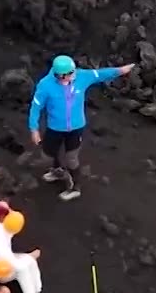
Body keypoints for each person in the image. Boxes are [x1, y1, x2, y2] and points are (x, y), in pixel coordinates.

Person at [27, 55, 136, 201]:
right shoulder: (45, 86)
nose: (74, 75)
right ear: (60, 75)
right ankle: (58, 171)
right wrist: (34, 129)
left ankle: (75, 188)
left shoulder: (81, 76)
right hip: (55, 128)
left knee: (71, 158)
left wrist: (120, 71)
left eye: (74, 71)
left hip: (76, 128)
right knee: (48, 154)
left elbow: (100, 74)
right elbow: (36, 106)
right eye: (71, 73)